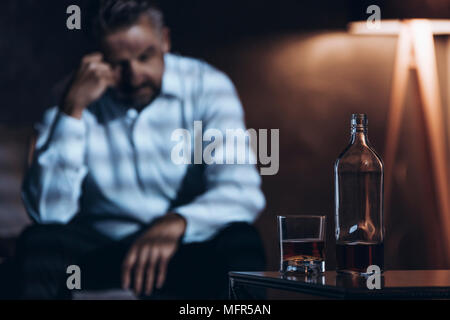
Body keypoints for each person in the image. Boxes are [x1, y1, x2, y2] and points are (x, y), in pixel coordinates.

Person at [3, 0, 266, 299]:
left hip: (182, 249)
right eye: (117, 64)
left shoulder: (209, 86)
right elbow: (49, 214)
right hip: (100, 248)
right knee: (40, 242)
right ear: (96, 58)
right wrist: (71, 111)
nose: (134, 75)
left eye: (145, 57)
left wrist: (178, 222)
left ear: (164, 40)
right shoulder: (70, 97)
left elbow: (241, 190)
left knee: (242, 242)